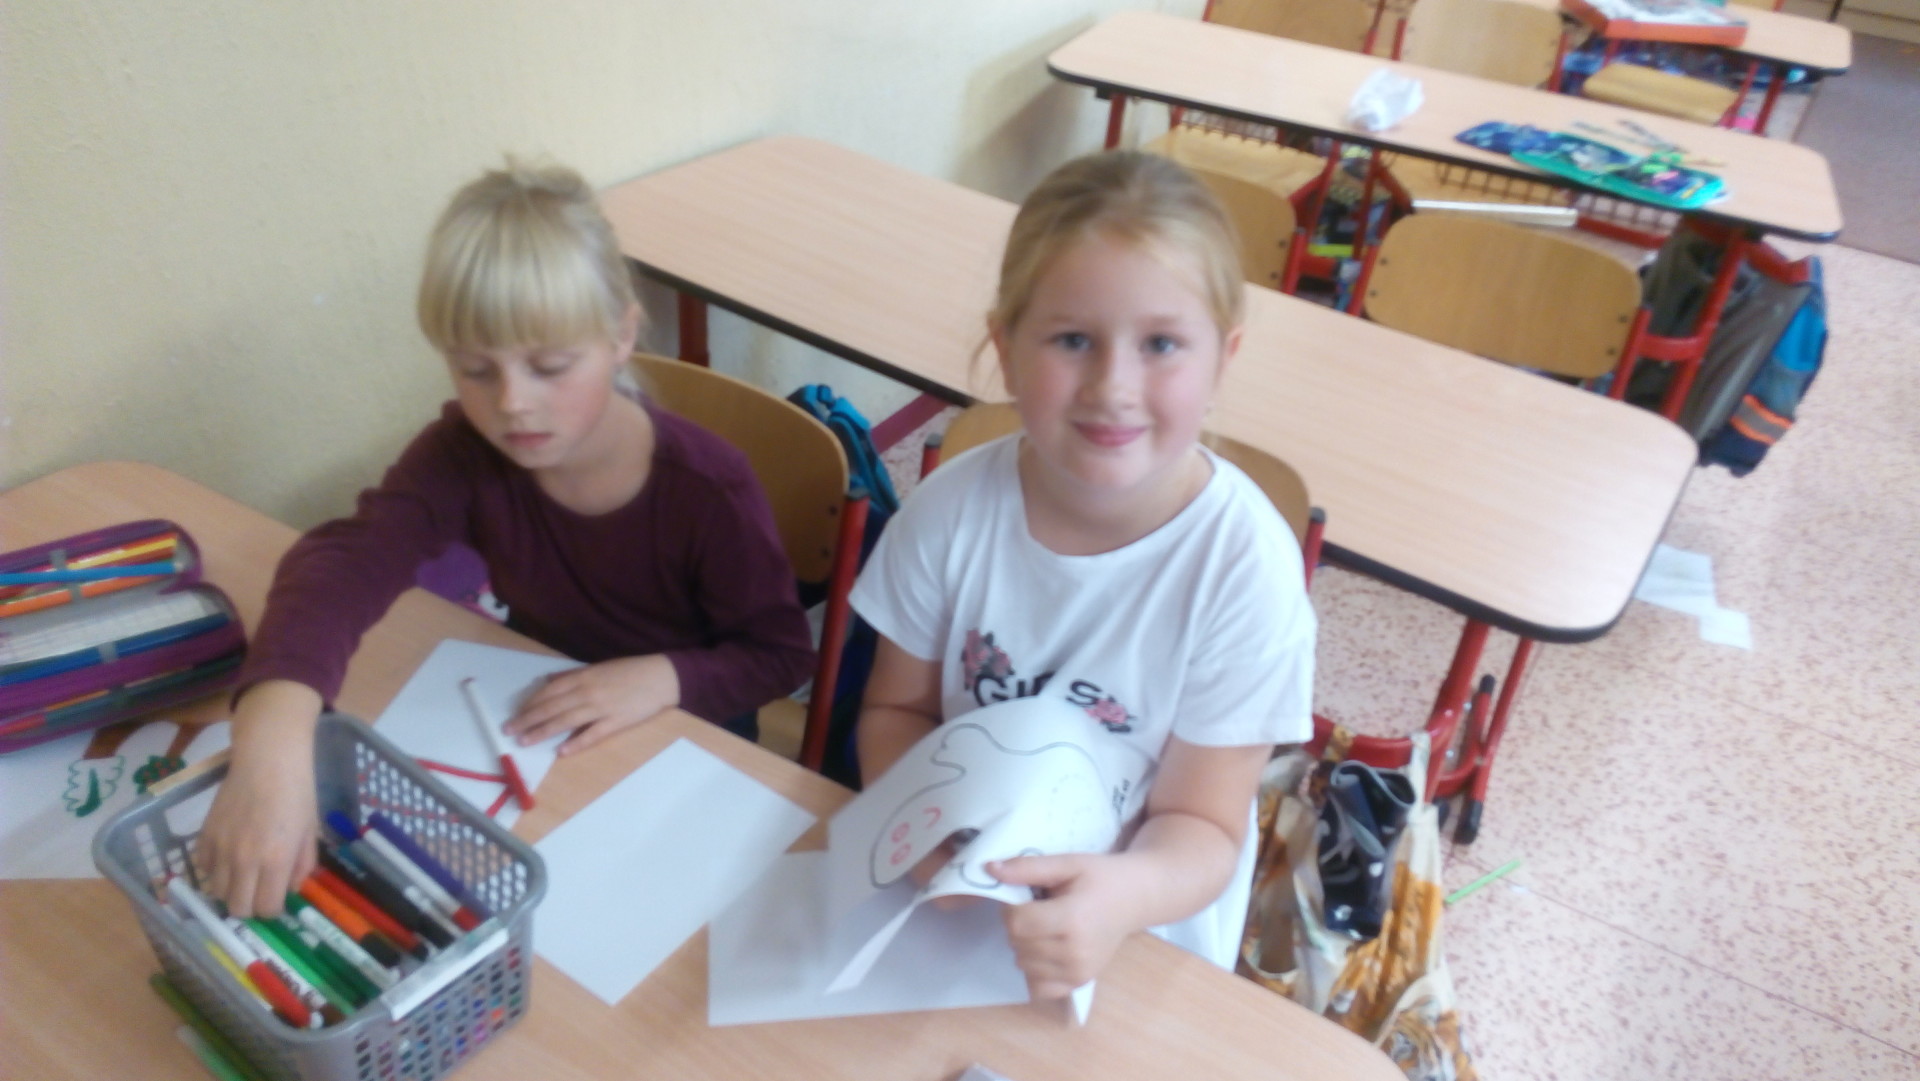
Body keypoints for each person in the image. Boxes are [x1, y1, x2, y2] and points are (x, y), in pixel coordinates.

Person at [201, 159, 815, 916]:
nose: (513, 403)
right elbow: (345, 561)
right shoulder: (464, 453)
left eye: (550, 366)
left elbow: (780, 656)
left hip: (685, 733)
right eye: (475, 370)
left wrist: (662, 677)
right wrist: (271, 739)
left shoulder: (708, 489)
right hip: (536, 723)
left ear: (623, 335)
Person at [848, 150, 1315, 1000]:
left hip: (1140, 938)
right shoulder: (948, 511)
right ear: (1006, 348)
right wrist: (918, 823)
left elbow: (1203, 826)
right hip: (953, 917)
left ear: (1222, 359)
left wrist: (1118, 898)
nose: (1113, 387)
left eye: (1162, 344)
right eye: (1072, 340)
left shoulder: (1245, 571)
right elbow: (895, 711)